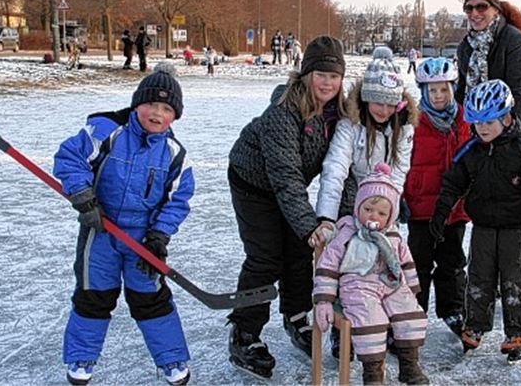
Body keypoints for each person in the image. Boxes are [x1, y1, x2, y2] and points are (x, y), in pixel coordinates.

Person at [53, 62, 194, 386]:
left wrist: (159, 236)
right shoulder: (106, 132)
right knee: (93, 295)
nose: (156, 114)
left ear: (175, 116)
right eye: (150, 105)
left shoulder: (175, 154)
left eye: (166, 108)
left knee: (151, 298)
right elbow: (69, 157)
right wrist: (84, 197)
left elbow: (178, 200)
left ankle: (171, 360)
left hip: (142, 239)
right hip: (100, 230)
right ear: (136, 105)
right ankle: (81, 356)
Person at [226, 36, 348, 379]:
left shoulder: (340, 114)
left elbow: (343, 163)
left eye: (334, 76)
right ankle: (245, 332)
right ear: (305, 75)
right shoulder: (283, 111)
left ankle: (296, 317)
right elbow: (286, 178)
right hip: (253, 184)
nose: (327, 82)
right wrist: (311, 225)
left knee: (297, 251)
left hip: (287, 187)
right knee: (265, 256)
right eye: (320, 74)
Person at [429, 79, 521, 364]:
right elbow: (453, 183)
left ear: (507, 117)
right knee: (479, 276)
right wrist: (441, 212)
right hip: (484, 226)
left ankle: (520, 333)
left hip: (516, 229)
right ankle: (475, 324)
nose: (482, 129)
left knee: (515, 281)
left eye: (489, 121)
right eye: (476, 123)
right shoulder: (471, 151)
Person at [314, 45, 417, 359]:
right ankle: (340, 328)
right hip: (350, 198)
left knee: (384, 261)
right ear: (364, 98)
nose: (382, 111)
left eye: (389, 104)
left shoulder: (405, 129)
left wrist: (388, 213)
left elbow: (399, 172)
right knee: (348, 264)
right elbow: (335, 169)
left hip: (383, 203)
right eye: (377, 102)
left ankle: (384, 325)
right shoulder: (351, 125)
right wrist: (327, 218)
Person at [313, 164, 429, 385]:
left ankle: (409, 366)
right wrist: (324, 300)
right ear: (358, 207)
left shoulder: (393, 236)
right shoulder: (347, 232)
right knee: (370, 319)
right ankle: (373, 374)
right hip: (357, 286)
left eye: (381, 213)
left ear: (390, 216)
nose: (373, 216)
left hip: (390, 284)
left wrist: (412, 292)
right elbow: (327, 267)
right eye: (368, 209)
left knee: (410, 314)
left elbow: (406, 263)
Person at [402, 57, 471, 336]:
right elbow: (401, 161)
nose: (439, 96)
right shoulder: (412, 120)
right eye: (432, 90)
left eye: (443, 89)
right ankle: (412, 312)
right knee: (418, 263)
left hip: (453, 209)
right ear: (423, 92)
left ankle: (453, 309)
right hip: (420, 208)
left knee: (452, 261)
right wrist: (401, 197)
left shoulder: (464, 119)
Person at [454, 0, 521, 150]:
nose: (474, 13)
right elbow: (461, 92)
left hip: (520, 123)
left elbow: (519, 93)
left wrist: (507, 135)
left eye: (481, 7)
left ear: (496, 9)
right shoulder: (466, 47)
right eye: (469, 8)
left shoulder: (516, 42)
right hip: (484, 124)